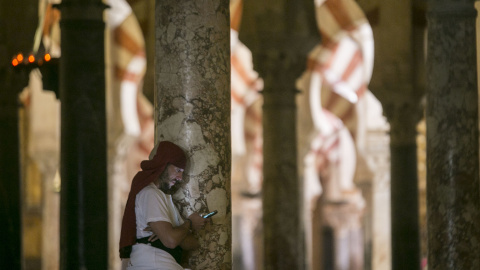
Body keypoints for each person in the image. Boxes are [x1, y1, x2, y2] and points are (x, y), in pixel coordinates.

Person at [119, 141, 209, 270]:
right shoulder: (150, 194)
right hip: (153, 263)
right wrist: (188, 223)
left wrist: (170, 231)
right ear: (163, 165)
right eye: (178, 170)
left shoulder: (164, 198)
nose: (180, 178)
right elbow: (171, 241)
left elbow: (193, 243)